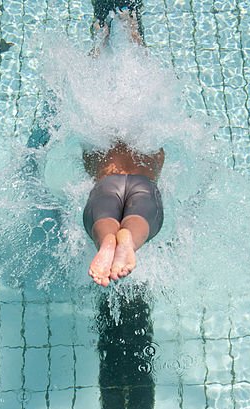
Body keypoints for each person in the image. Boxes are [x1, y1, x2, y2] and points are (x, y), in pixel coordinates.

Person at [82, 9, 165, 287]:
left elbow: (87, 158)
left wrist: (100, 36)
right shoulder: (149, 118)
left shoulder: (93, 118)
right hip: (143, 182)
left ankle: (107, 240)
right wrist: (133, 30)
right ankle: (129, 237)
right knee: (140, 218)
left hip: (107, 182)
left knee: (103, 216)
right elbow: (143, 63)